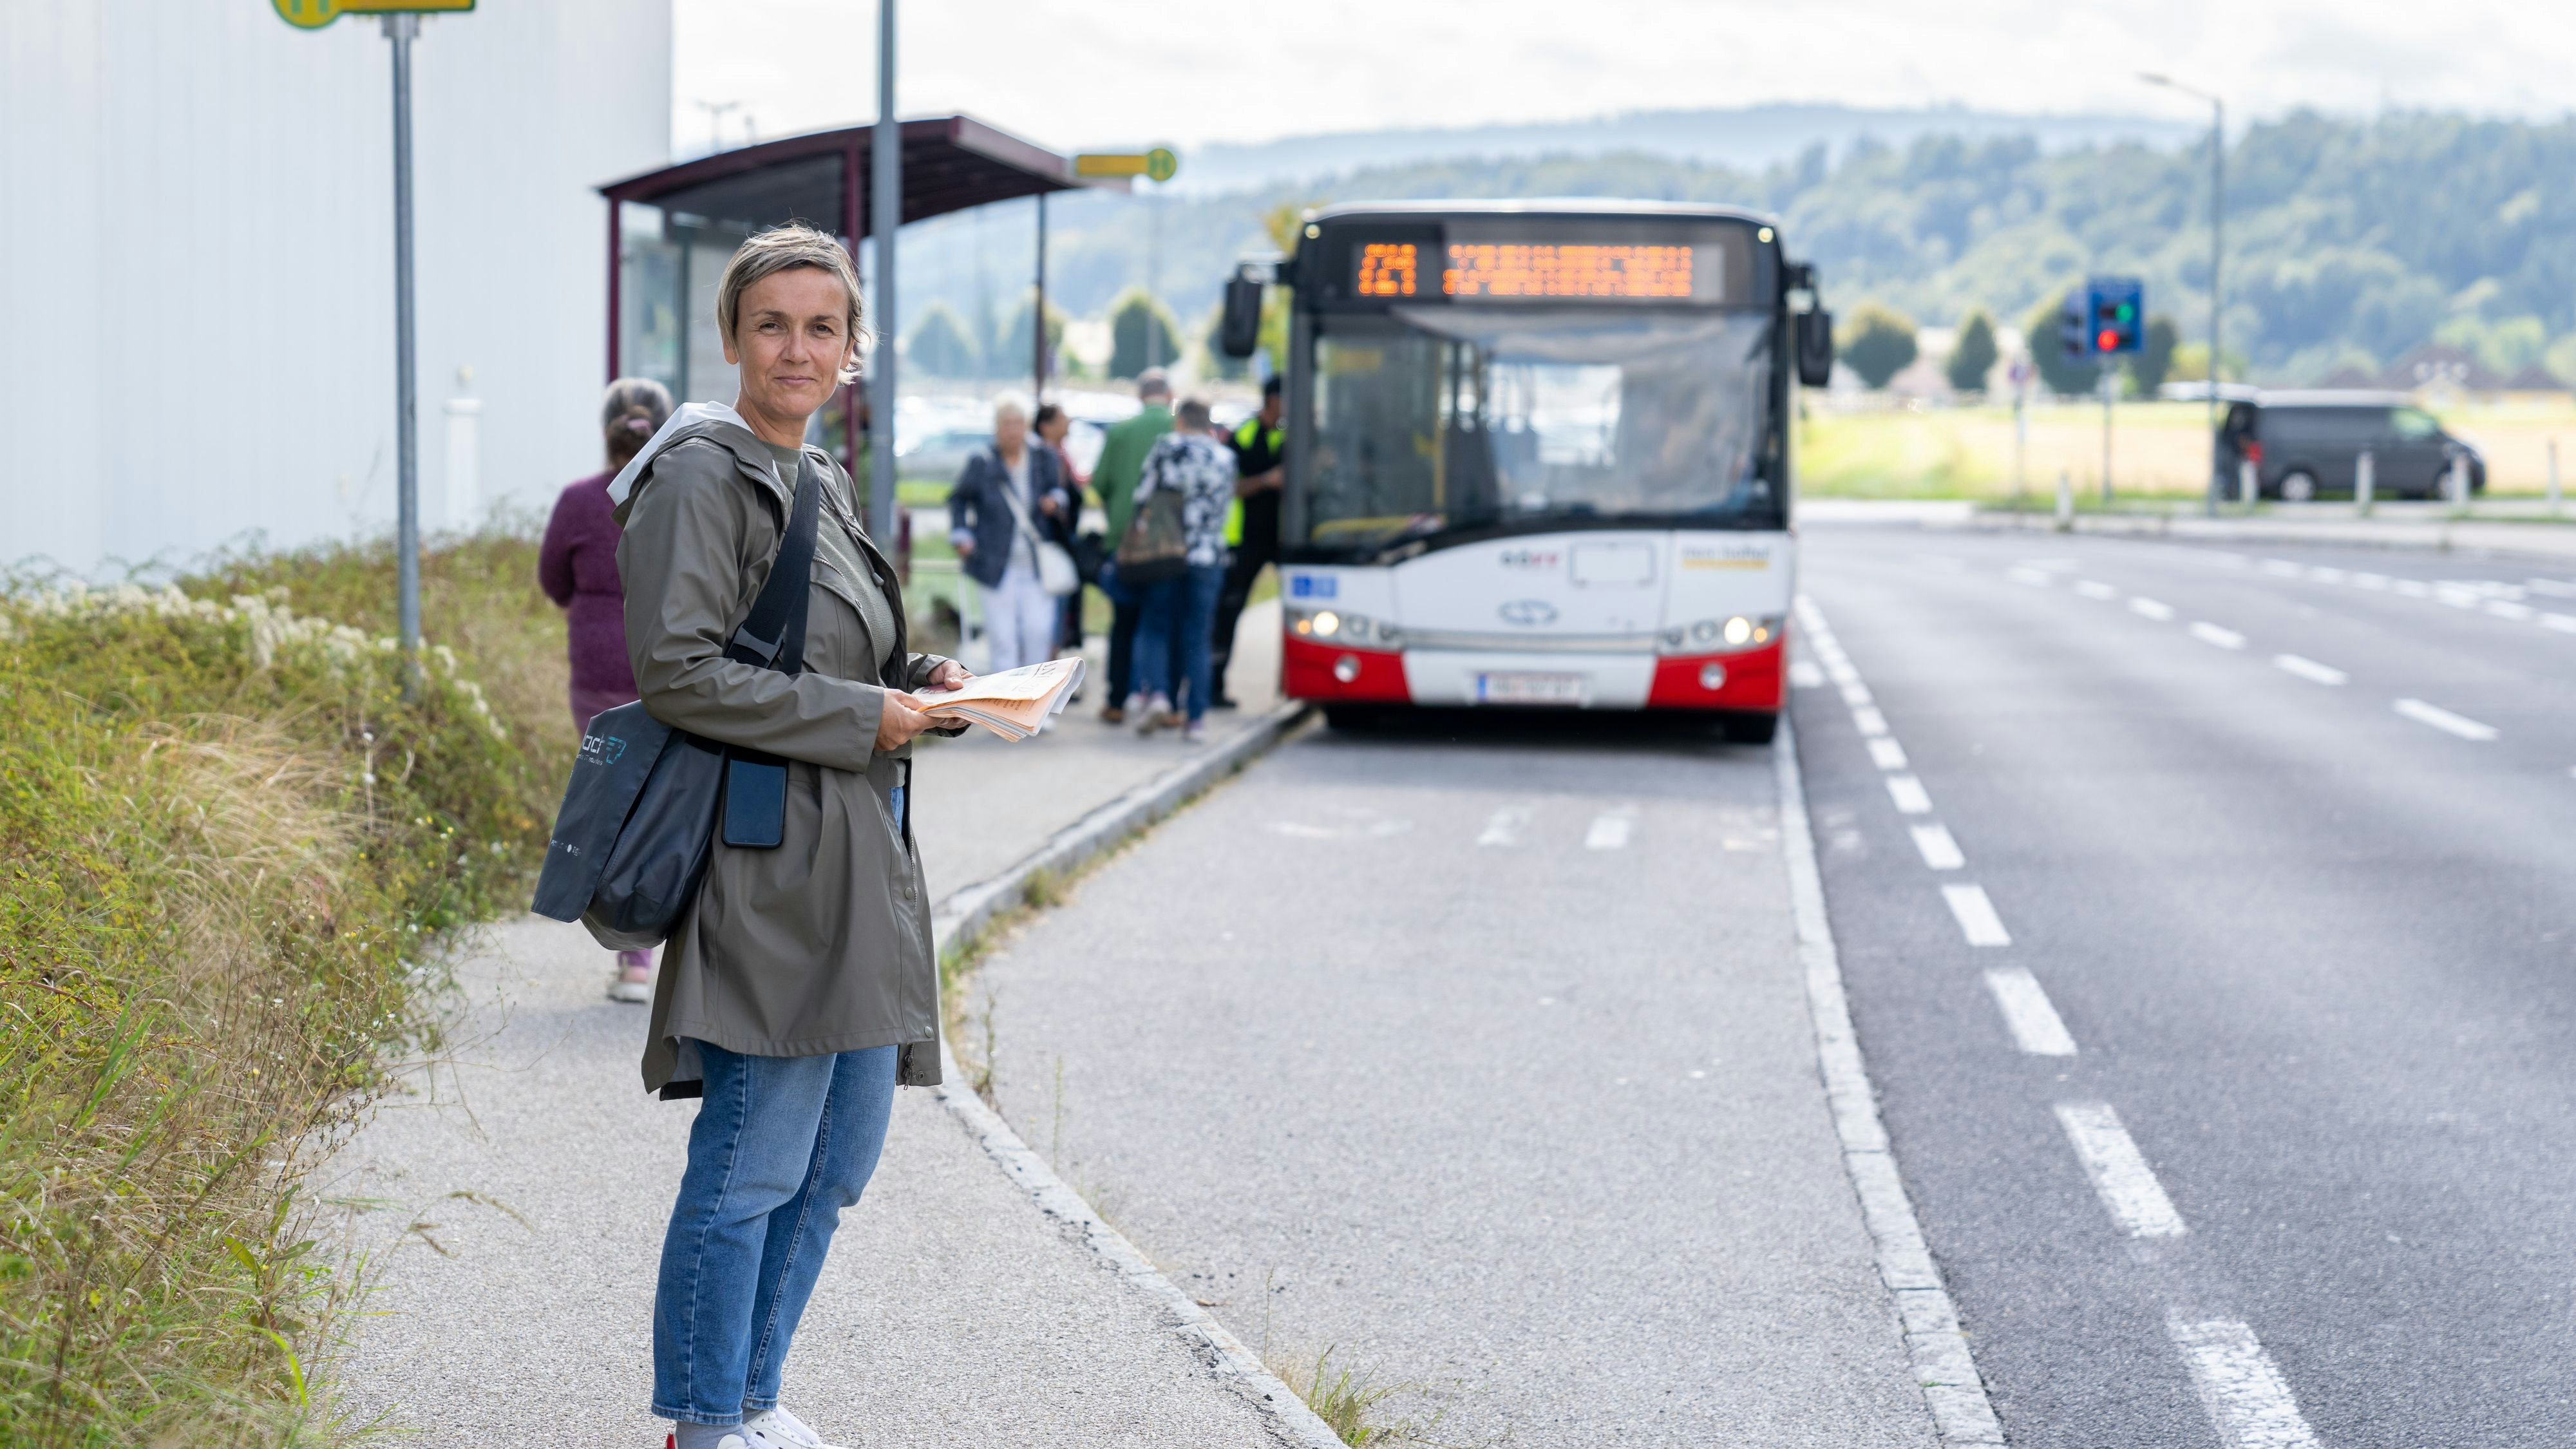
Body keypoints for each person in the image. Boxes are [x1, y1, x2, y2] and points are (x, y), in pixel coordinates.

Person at [610, 223, 972, 1449]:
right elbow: (676, 674)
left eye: (825, 326)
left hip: (866, 865)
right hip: (769, 871)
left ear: (853, 347)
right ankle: (705, 1424)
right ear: (732, 338)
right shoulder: (701, 475)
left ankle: (752, 1400)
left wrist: (926, 681)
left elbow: (834, 656)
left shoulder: (818, 480)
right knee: (749, 1168)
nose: (799, 348)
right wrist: (865, 713)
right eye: (774, 324)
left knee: (834, 1167)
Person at [540, 375, 672, 1003]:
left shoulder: (577, 500)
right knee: (661, 807)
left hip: (595, 675)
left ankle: (636, 957)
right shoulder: (682, 497)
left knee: (615, 808)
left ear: (606, 431)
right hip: (669, 672)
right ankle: (660, 949)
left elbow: (553, 581)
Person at [1124, 396, 1237, 743]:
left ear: (1180, 421)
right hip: (1208, 557)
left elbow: (1142, 496)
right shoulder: (1225, 457)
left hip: (1166, 554)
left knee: (1156, 626)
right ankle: (1196, 719)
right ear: (1209, 423)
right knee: (1197, 636)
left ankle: (1158, 694)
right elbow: (1226, 507)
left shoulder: (1167, 447)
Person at [946, 392, 1074, 677]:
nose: (1013, 430)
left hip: (1036, 566)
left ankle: (1036, 707)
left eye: (1018, 423)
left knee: (1038, 632)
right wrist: (961, 534)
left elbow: (1061, 492)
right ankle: (1007, 711)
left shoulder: (1043, 457)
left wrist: (1055, 500)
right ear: (997, 427)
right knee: (1003, 639)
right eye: (1007, 423)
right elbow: (958, 499)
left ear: (1027, 425)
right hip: (994, 564)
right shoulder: (983, 462)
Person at [1086, 370, 1173, 723]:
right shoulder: (1177, 429)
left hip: (1123, 544)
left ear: (1140, 396)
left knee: (1123, 623)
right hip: (1169, 545)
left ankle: (1116, 701)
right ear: (1169, 395)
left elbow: (1100, 484)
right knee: (1163, 623)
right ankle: (1165, 700)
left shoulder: (1119, 433)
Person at [1208, 375, 1286, 708]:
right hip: (1246, 540)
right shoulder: (1242, 437)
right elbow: (1230, 488)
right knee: (1229, 612)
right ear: (1272, 400)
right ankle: (1213, 687)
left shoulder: (1290, 436)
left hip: (1284, 537)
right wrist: (1268, 481)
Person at [1032, 401, 1088, 658]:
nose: (1069, 423)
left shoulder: (1060, 454)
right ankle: (1049, 667)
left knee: (1061, 607)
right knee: (1053, 607)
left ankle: (1053, 664)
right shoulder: (1045, 457)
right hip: (1052, 544)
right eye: (1062, 419)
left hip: (1062, 542)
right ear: (1046, 426)